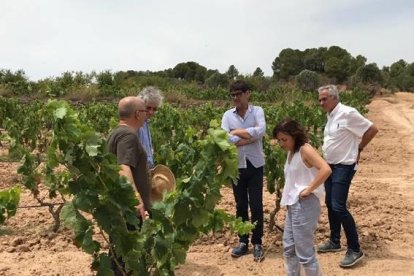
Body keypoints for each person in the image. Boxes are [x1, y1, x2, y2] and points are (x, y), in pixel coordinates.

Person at [317, 84, 378, 268]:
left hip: (344, 166)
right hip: (330, 166)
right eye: (319, 99)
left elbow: (372, 129)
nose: (321, 102)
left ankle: (355, 249)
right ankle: (334, 241)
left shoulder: (348, 113)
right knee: (330, 203)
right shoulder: (330, 115)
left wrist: (359, 148)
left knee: (338, 206)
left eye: (324, 99)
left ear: (334, 98)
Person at [273, 118, 331, 276]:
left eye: (284, 139)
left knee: (305, 253)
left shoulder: (305, 149)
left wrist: (309, 189)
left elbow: (325, 169)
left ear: (295, 136)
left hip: (305, 203)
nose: (281, 144)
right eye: (279, 140)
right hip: (294, 204)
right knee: (289, 248)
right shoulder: (292, 153)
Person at [221, 80, 266, 262]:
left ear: (248, 93)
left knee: (256, 205)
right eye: (232, 95)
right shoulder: (227, 115)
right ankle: (242, 241)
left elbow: (261, 131)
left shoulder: (258, 111)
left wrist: (237, 132)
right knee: (240, 206)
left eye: (238, 94)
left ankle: (257, 242)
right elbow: (225, 138)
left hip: (255, 164)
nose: (235, 98)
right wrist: (248, 136)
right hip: (236, 166)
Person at [107, 96, 151, 219]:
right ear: (137, 114)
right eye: (144, 111)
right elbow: (123, 166)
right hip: (131, 211)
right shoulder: (128, 136)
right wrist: (135, 199)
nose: (146, 115)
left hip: (120, 206)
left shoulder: (115, 133)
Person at [137, 86, 164, 169]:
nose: (151, 112)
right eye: (148, 108)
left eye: (154, 109)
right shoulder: (136, 125)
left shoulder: (146, 123)